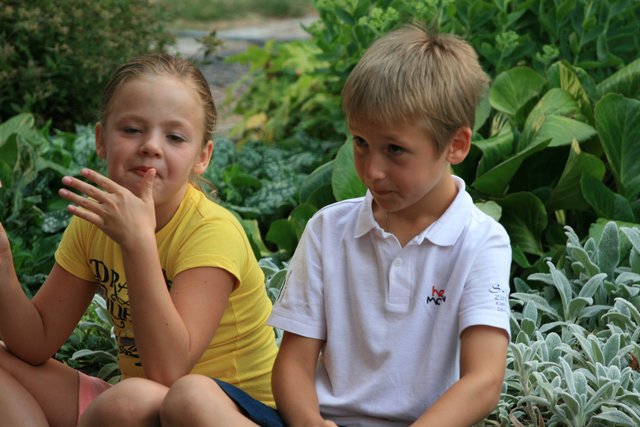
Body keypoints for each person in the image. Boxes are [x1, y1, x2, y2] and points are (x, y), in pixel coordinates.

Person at [0, 53, 283, 427]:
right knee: (127, 398)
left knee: (133, 399)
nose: (151, 145)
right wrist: (3, 264)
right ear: (101, 140)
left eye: (175, 137)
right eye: (132, 129)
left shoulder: (211, 232)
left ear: (202, 156)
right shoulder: (93, 224)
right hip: (137, 406)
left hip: (228, 412)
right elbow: (37, 341)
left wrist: (138, 244)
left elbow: (169, 374)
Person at [268, 24, 512, 427]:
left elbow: (484, 381)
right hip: (325, 421)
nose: (372, 171)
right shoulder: (328, 229)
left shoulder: (481, 241)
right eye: (360, 142)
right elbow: (293, 363)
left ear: (456, 145)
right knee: (193, 397)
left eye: (395, 149)